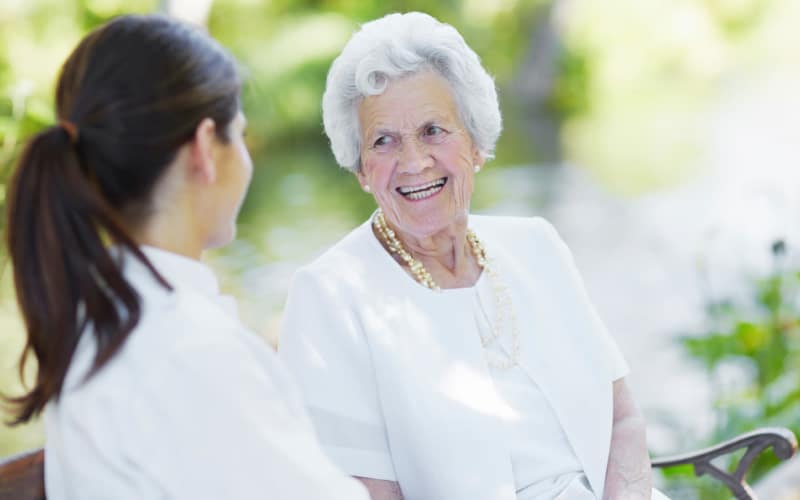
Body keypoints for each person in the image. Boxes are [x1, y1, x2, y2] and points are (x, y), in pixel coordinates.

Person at [279, 12, 668, 500]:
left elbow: (624, 420)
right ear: (361, 169)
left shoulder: (537, 245)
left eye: (433, 131)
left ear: (477, 143)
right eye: (384, 141)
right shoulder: (330, 296)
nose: (414, 161)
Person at [3, 14, 368, 500]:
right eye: (237, 134)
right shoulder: (190, 352)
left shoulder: (100, 322)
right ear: (203, 148)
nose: (245, 157)